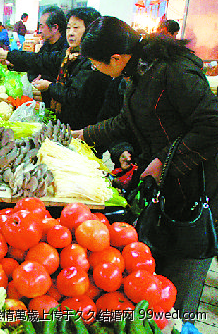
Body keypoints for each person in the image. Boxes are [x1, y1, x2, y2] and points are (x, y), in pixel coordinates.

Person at [74, 16, 218, 318]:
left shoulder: (173, 71)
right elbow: (128, 120)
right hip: (166, 192)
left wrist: (163, 160)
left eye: (98, 64)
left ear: (116, 57)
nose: (96, 70)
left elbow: (211, 123)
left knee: (179, 290)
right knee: (156, 284)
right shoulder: (140, 70)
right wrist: (84, 135)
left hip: (197, 191)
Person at [30, 7, 112, 129]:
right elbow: (41, 60)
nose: (71, 33)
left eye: (76, 27)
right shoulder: (69, 55)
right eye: (68, 28)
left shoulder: (93, 61)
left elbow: (75, 96)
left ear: (90, 30)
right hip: (65, 122)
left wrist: (49, 87)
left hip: (84, 128)